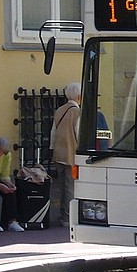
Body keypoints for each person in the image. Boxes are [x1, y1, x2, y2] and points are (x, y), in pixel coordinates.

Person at [51, 82, 82, 227]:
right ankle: (67, 217)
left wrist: (53, 148)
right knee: (71, 185)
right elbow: (78, 134)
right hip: (72, 155)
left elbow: (53, 132)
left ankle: (62, 214)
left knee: (62, 185)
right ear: (79, 96)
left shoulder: (59, 110)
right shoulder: (77, 112)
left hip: (58, 154)